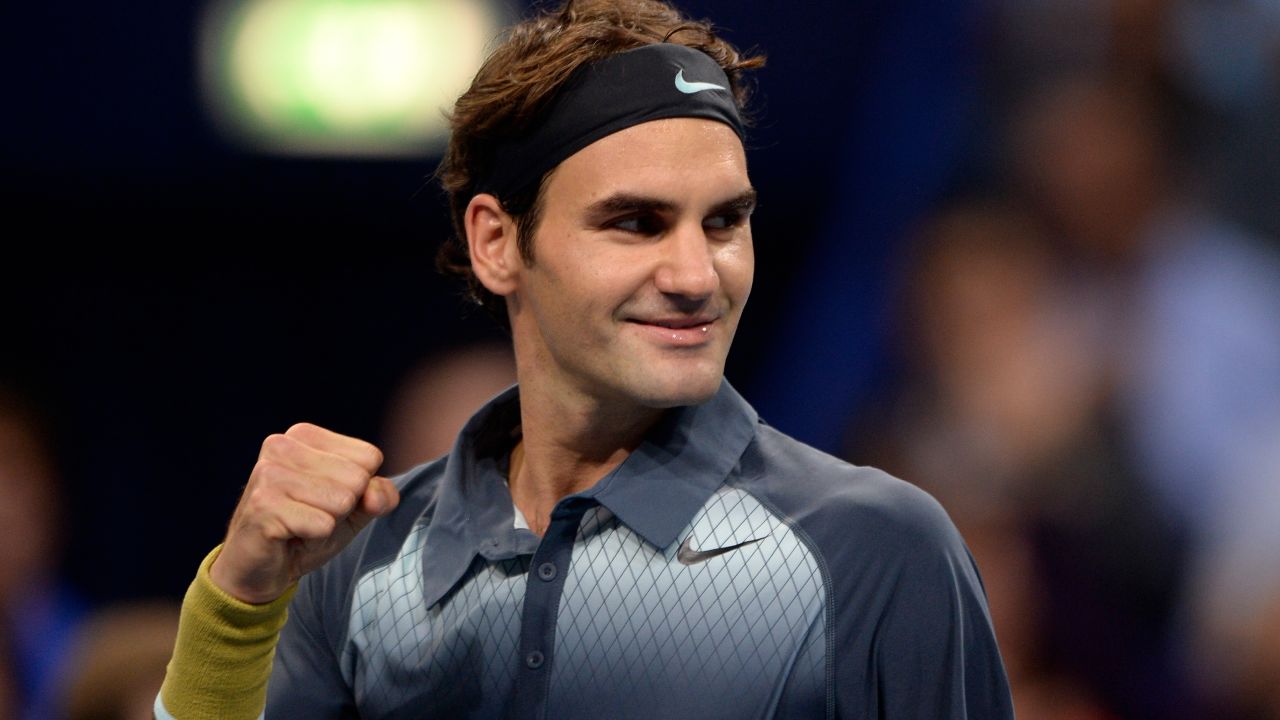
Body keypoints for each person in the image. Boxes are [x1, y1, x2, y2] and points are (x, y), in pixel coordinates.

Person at [156, 1, 1013, 718]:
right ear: (496, 243)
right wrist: (236, 601)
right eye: (635, 222)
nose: (694, 276)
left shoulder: (879, 550)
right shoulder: (356, 564)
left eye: (725, 222)